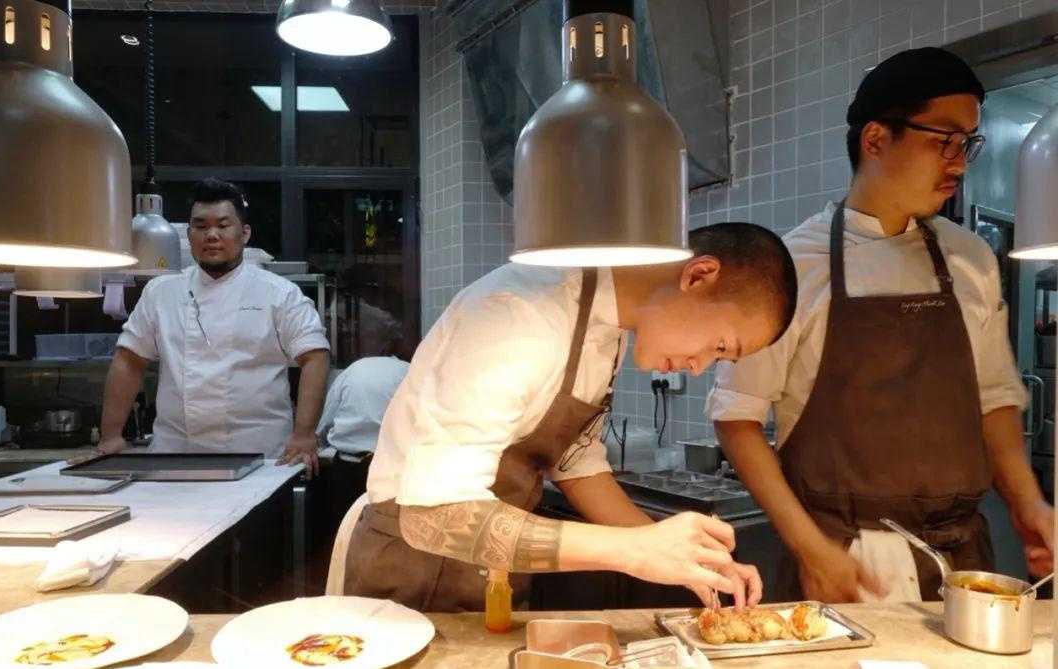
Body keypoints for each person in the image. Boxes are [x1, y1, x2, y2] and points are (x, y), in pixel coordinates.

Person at [708, 48, 1055, 603]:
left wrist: (1028, 503)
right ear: (875, 140)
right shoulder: (797, 263)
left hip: (960, 563)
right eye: (944, 140)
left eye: (968, 142)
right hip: (842, 561)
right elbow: (737, 419)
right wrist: (808, 548)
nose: (960, 162)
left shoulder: (971, 259)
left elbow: (994, 399)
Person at [343, 223, 799, 612]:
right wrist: (633, 552)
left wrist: (677, 554)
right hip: (412, 569)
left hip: (493, 571)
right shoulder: (519, 313)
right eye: (721, 346)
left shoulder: (610, 330)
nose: (700, 366)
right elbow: (433, 517)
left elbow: (576, 461)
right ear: (699, 275)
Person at [98, 178, 331, 476]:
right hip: (175, 459)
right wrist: (111, 436)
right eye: (200, 226)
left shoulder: (279, 293)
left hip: (260, 458)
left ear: (244, 233)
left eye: (223, 225)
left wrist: (304, 434)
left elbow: (315, 356)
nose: (212, 235)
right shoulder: (161, 292)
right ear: (189, 234)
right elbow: (129, 360)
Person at [316, 356, 410, 457]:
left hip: (344, 460)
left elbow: (326, 422)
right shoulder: (410, 371)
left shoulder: (353, 369)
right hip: (393, 460)